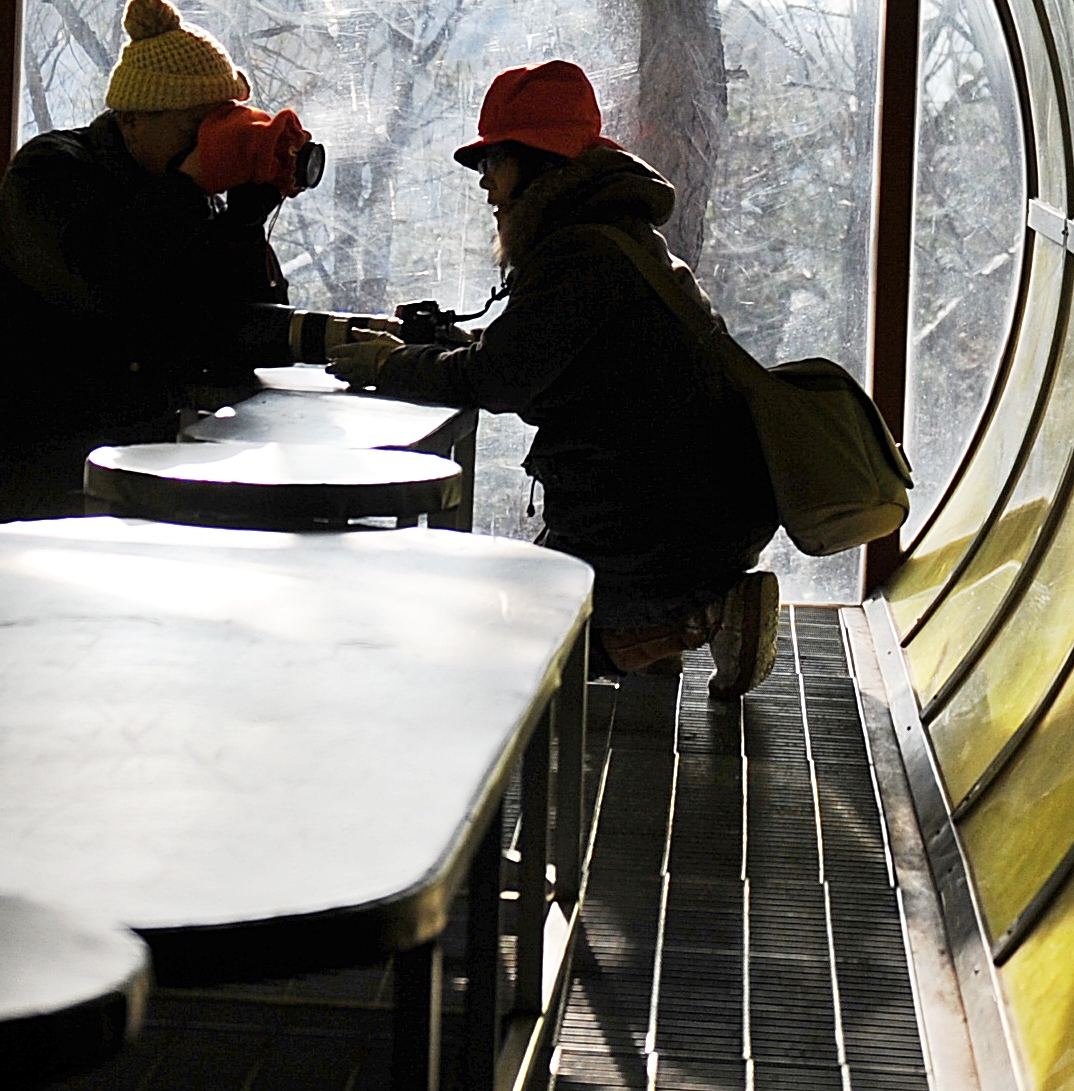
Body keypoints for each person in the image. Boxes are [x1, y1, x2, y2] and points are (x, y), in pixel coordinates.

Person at [330, 59, 783, 695]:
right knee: (520, 618)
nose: (486, 184)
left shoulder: (582, 253)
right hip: (688, 514)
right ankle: (661, 619)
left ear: (539, 163)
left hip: (657, 529)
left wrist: (389, 364)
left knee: (515, 648)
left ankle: (695, 617)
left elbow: (497, 380)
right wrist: (442, 347)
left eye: (494, 162)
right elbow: (532, 353)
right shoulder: (610, 236)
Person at [0, 0, 362, 524]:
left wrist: (242, 223)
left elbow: (231, 337)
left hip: (139, 445)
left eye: (220, 125)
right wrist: (189, 190)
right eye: (196, 126)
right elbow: (107, 293)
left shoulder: (184, 191)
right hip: (34, 461)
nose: (207, 143)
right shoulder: (50, 172)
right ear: (133, 119)